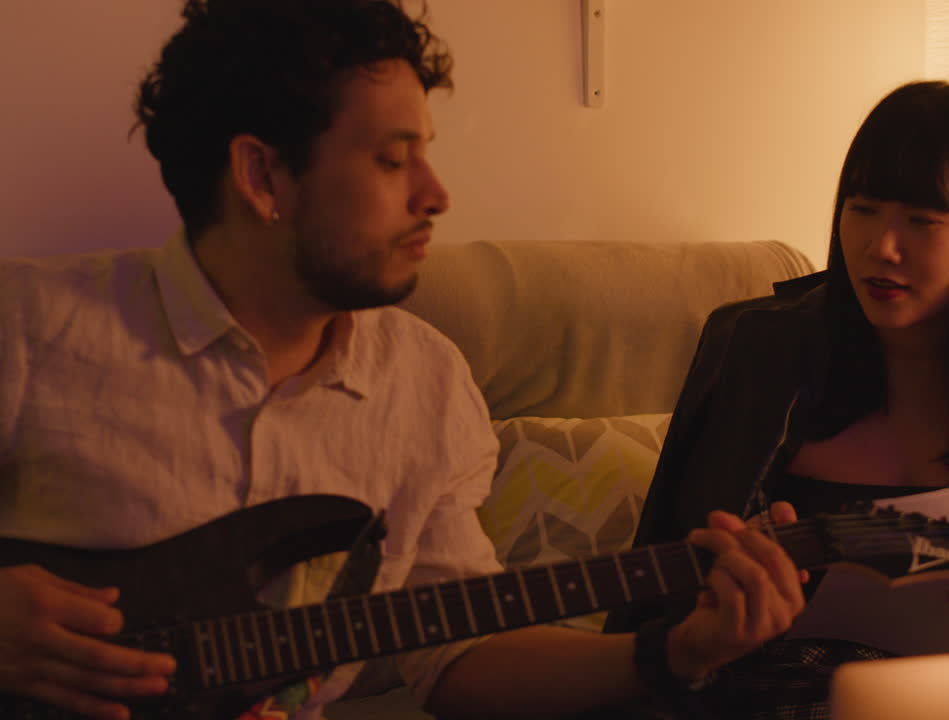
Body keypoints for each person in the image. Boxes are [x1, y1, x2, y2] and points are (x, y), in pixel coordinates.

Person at [0, 2, 806, 719]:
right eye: (393, 160)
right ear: (263, 174)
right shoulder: (33, 331)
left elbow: (456, 655)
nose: (436, 193)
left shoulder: (423, 382)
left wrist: (673, 652)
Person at [606, 81, 949, 719]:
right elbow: (650, 595)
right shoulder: (752, 352)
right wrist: (727, 571)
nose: (881, 247)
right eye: (863, 209)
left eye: (921, 221)